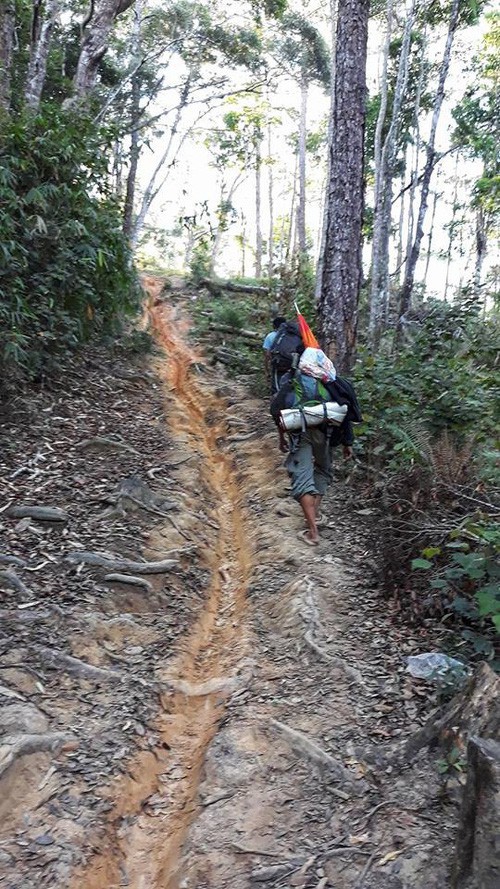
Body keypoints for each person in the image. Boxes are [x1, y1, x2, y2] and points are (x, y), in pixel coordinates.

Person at [270, 350, 359, 546]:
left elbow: (276, 410)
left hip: (300, 434)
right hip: (325, 434)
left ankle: (312, 532)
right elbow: (345, 413)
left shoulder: (292, 379)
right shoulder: (331, 381)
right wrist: (348, 443)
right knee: (323, 471)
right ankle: (315, 514)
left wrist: (281, 437)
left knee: (302, 478)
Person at [262, 316, 287, 390]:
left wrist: (267, 370)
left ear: (274, 326)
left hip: (278, 364)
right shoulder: (291, 335)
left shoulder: (270, 336)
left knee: (277, 387)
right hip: (292, 363)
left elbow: (267, 355)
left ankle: (277, 399)